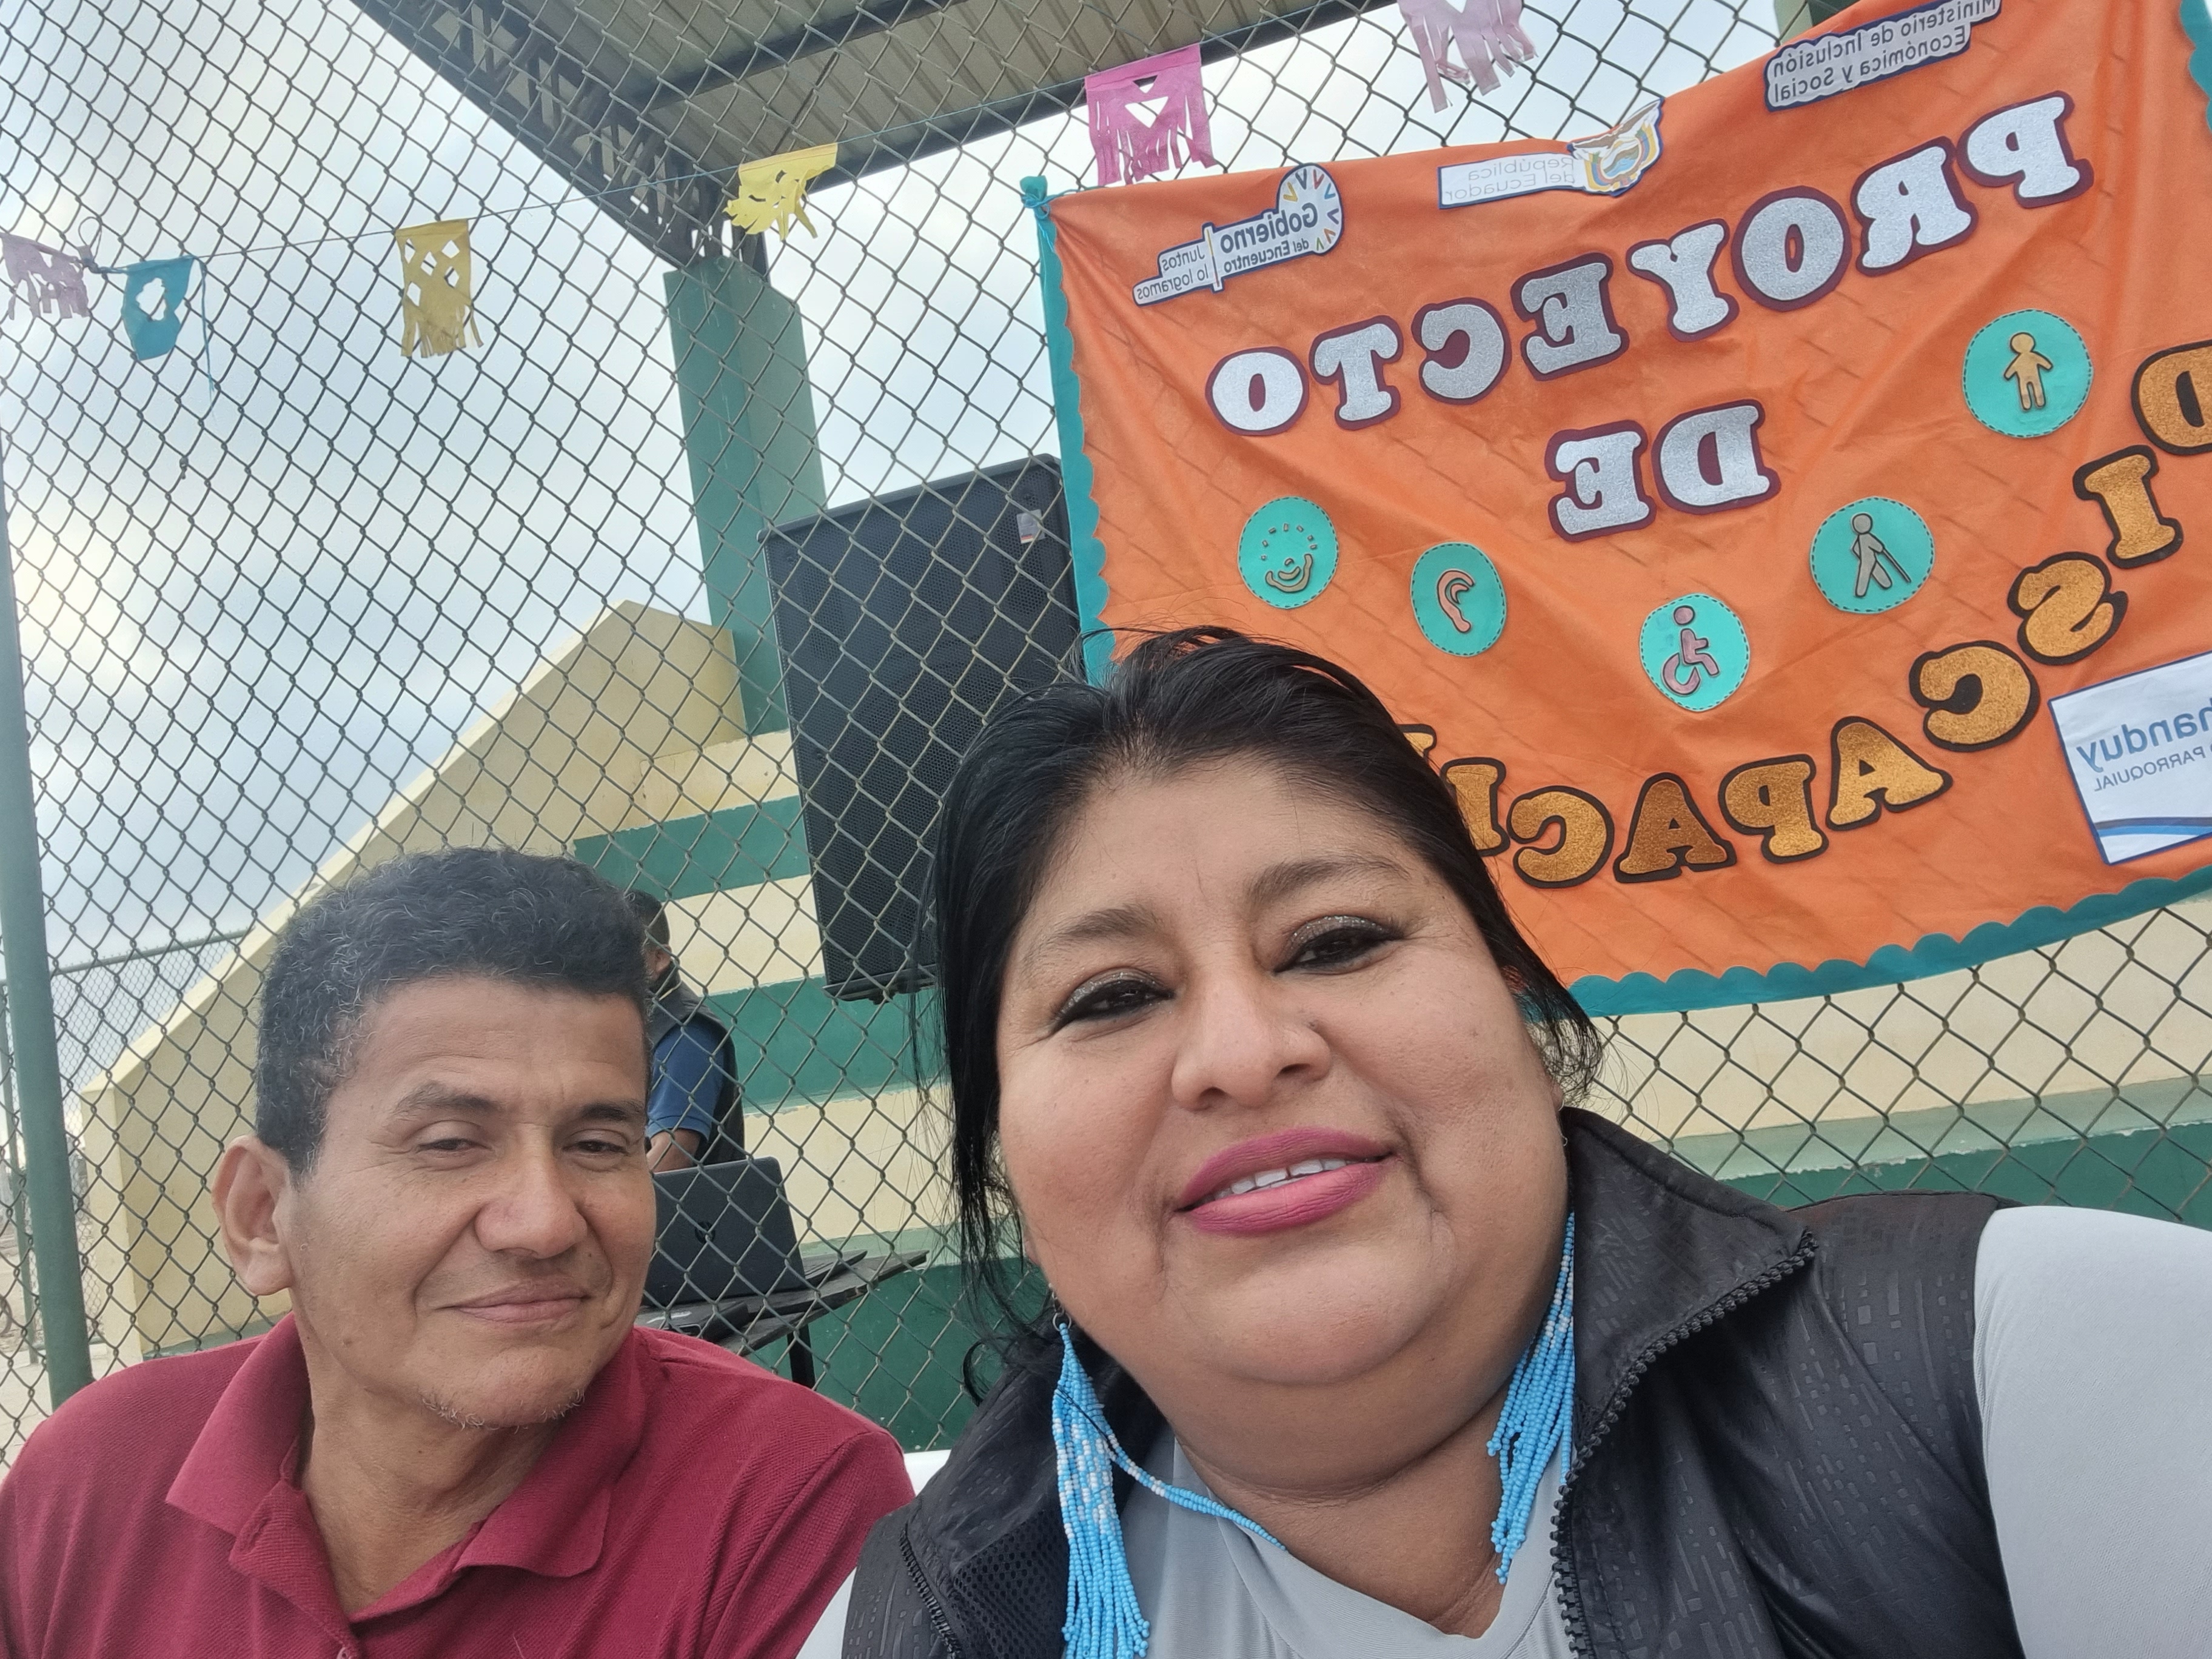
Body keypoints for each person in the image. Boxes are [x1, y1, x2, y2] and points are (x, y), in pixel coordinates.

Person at [835, 628, 2212, 1658]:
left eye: (1336, 940)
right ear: (1002, 1148)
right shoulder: (926, 1619)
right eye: (1111, 997)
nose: (1244, 1052)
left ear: (1518, 1006)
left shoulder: (2000, 1372)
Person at [0, 847, 911, 1659]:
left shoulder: (789, 1504)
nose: (546, 1224)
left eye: (599, 1144)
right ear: (264, 1217)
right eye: (449, 1144)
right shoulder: (91, 1481)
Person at [625, 890, 742, 1170]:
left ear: (659, 958)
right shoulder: (635, 1024)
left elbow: (673, 1154)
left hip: (685, 1200)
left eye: (620, 954)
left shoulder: (684, 1033)